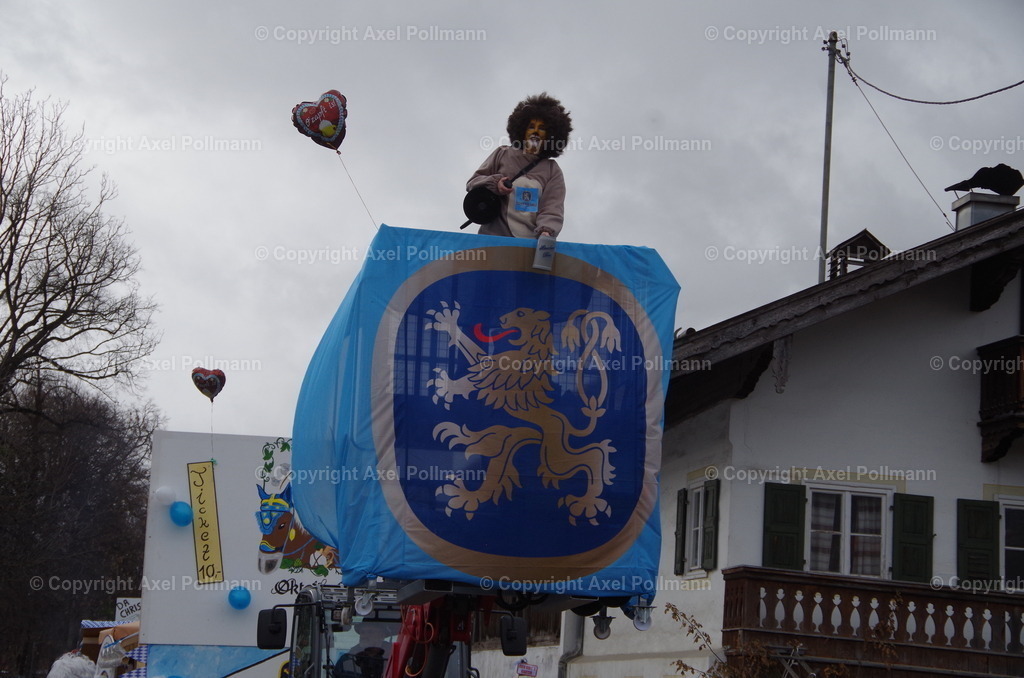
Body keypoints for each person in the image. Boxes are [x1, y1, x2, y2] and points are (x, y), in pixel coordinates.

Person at [467, 93, 573, 238]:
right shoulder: (502, 153)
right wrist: (495, 184)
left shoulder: (552, 170)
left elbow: (552, 208)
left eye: (542, 128)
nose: (535, 131)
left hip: (526, 247)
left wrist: (546, 232)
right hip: (491, 240)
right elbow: (472, 183)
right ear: (522, 130)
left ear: (550, 135)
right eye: (531, 126)